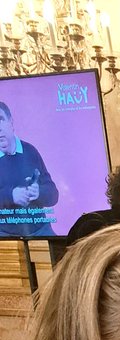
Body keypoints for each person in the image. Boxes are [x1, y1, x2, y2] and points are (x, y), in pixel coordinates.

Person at [0, 100, 58, 237]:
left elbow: (54, 195)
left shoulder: (30, 151)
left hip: (41, 229)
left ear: (11, 122)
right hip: (4, 235)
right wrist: (11, 196)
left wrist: (38, 193)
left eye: (1, 120)